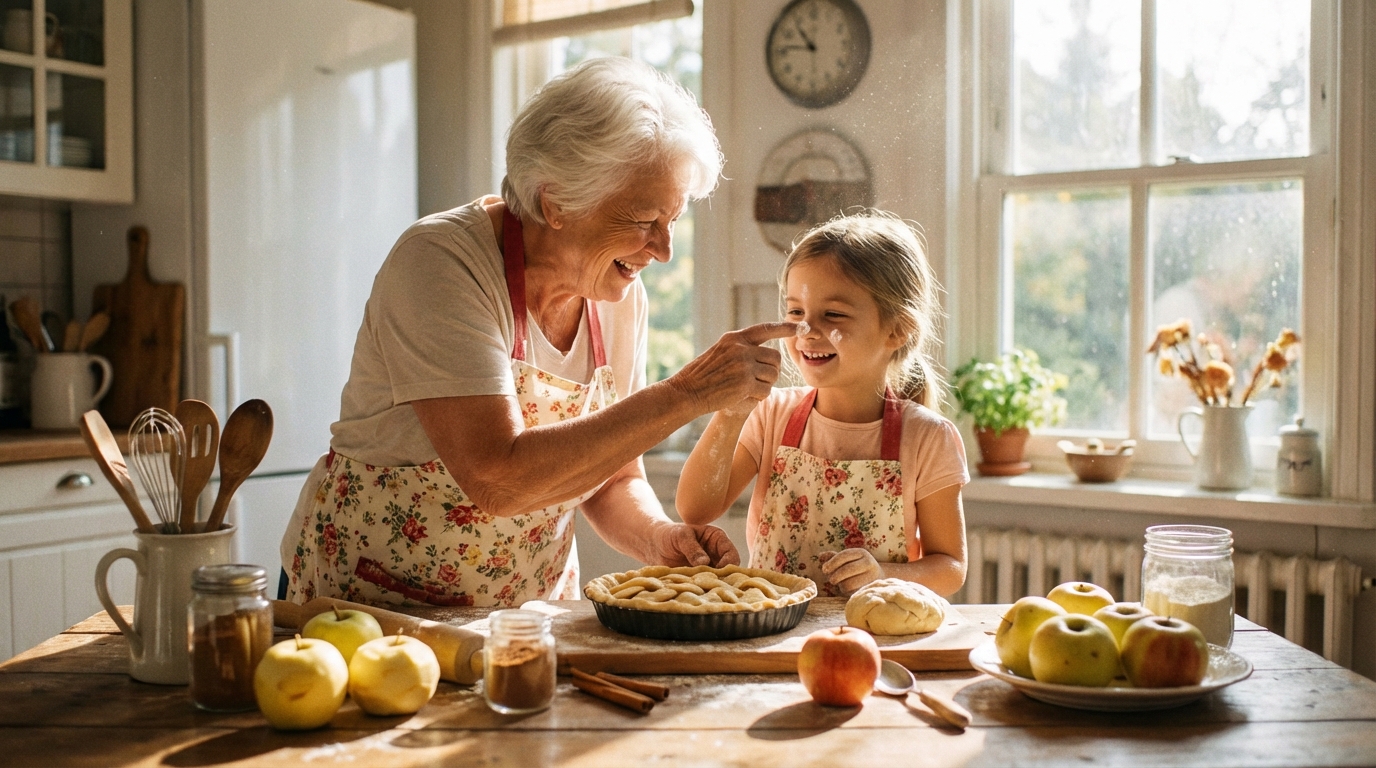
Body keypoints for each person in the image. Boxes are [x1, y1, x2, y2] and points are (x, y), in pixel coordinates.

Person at [280, 57, 794, 608]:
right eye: (645, 221)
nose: (663, 250)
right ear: (557, 203)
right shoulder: (441, 264)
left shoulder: (618, 295)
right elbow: (497, 477)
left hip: (524, 615)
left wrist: (659, 536)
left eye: (672, 222)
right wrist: (686, 394)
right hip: (373, 607)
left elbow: (613, 477)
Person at [676, 211, 969, 597]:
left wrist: (882, 574)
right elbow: (696, 509)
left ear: (897, 330)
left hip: (867, 636)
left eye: (832, 315)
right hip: (773, 633)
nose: (806, 332)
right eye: (796, 311)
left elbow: (949, 566)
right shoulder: (770, 414)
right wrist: (731, 411)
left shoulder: (929, 438)